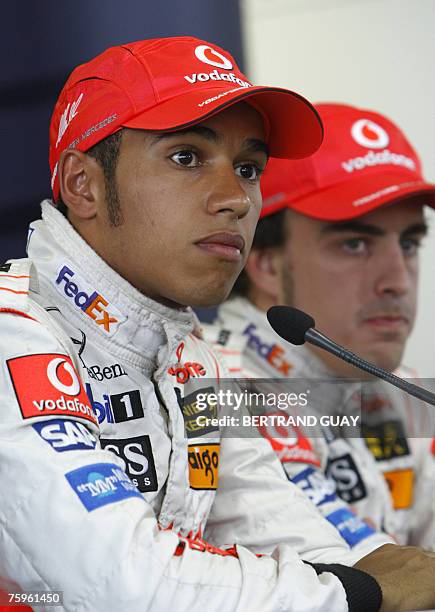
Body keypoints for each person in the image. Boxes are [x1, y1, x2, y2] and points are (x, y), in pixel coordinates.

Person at [0, 38, 434, 612]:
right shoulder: (14, 330)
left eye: (249, 168)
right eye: (186, 157)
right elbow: (123, 587)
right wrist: (366, 593)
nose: (236, 198)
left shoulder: (192, 360)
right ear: (85, 185)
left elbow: (290, 532)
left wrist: (382, 579)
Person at [205, 102, 435, 550]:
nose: (397, 281)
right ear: (265, 263)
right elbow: (357, 577)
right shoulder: (209, 387)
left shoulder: (405, 394)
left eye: (409, 243)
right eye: (354, 244)